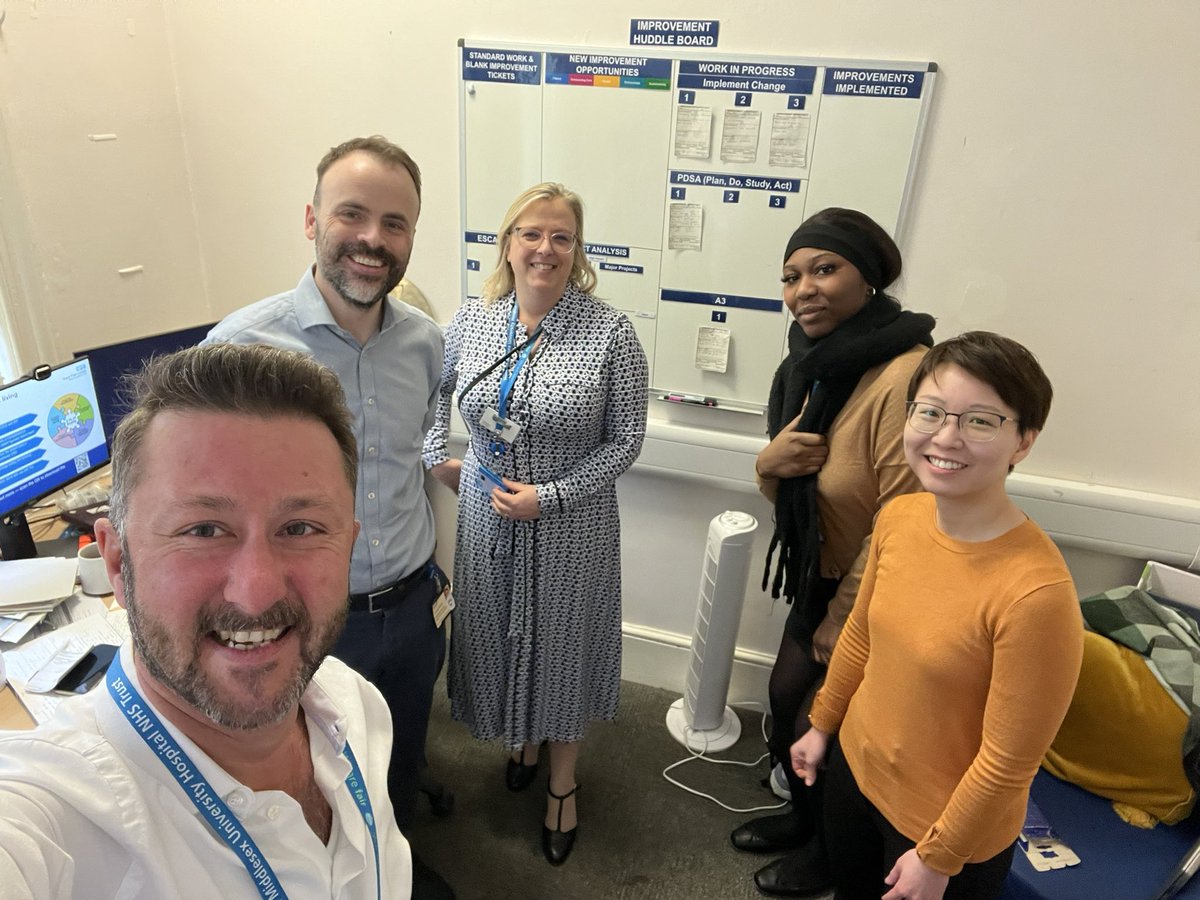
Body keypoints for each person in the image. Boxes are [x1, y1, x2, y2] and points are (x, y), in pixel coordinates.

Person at [0, 343, 412, 898]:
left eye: (301, 528)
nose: (257, 591)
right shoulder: (58, 816)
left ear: (348, 547)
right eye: (203, 530)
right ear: (118, 562)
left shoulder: (357, 707)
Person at [204, 136, 453, 898]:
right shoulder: (243, 347)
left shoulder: (426, 345)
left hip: (410, 608)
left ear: (411, 237)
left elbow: (416, 454)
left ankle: (392, 869)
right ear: (312, 220)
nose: (373, 239)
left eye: (395, 223)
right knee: (296, 782)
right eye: (352, 214)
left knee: (397, 761)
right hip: (302, 618)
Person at [791, 331, 1085, 900]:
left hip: (944, 831)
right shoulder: (901, 516)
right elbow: (861, 636)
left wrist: (939, 856)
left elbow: (1007, 762)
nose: (946, 437)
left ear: (1023, 442)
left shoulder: (1036, 594)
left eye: (980, 421)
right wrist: (823, 723)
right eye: (930, 412)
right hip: (856, 773)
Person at [422, 182, 648, 866]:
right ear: (508, 243)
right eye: (531, 233)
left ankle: (561, 784)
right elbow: (433, 392)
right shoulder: (473, 320)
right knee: (496, 634)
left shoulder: (611, 333)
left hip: (570, 526)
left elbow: (626, 440)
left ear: (577, 250)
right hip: (488, 520)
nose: (545, 248)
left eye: (561, 237)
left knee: (560, 650)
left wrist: (550, 495)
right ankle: (520, 739)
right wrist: (438, 457)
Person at [730, 208, 936, 897]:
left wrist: (843, 620)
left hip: (878, 590)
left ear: (868, 279)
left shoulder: (905, 375)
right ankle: (802, 819)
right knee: (785, 699)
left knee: (822, 724)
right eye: (791, 276)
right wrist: (768, 462)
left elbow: (901, 522)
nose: (804, 290)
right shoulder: (811, 366)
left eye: (825, 269)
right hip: (821, 573)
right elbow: (791, 482)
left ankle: (828, 854)